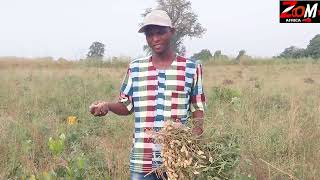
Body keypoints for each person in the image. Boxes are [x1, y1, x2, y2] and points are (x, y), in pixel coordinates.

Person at [89, 9, 205, 180]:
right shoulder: (135, 68)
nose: (155, 39)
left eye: (160, 33)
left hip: (177, 160)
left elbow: (197, 107)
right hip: (142, 161)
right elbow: (126, 105)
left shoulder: (191, 68)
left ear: (171, 32)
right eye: (150, 35)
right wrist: (107, 106)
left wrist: (194, 139)